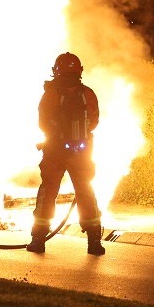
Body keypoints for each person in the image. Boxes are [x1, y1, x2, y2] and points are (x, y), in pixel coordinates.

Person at [27, 52, 105, 255]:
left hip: (54, 152)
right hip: (81, 152)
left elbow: (42, 122)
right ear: (79, 71)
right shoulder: (87, 93)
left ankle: (38, 240)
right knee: (85, 193)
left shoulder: (51, 94)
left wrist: (58, 135)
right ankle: (94, 242)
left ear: (57, 71)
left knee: (48, 192)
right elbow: (94, 122)